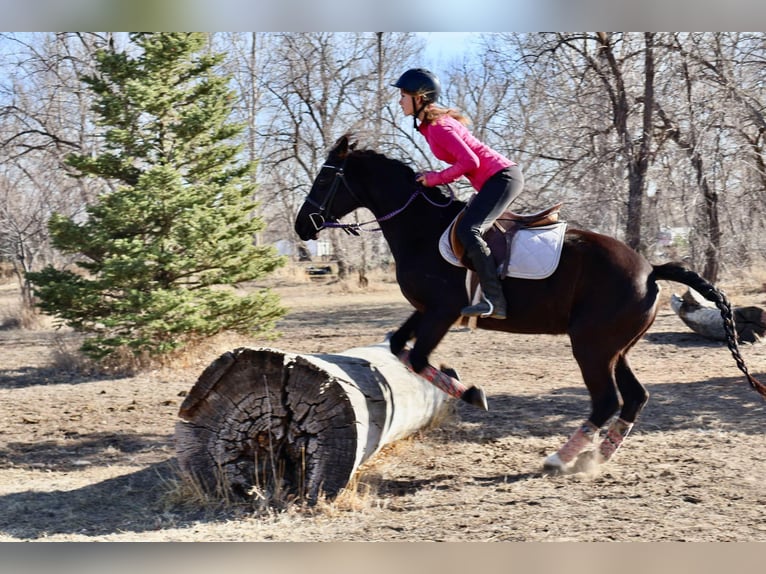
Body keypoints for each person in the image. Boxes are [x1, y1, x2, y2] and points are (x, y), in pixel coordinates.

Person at [392, 68, 524, 320]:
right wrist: (434, 174)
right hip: (497, 180)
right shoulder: (431, 127)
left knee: (468, 230)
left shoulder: (439, 126)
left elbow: (470, 161)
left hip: (503, 178)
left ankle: (496, 300)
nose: (399, 100)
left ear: (419, 98)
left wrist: (436, 178)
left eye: (403, 94)